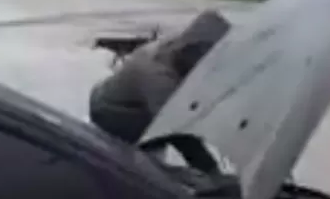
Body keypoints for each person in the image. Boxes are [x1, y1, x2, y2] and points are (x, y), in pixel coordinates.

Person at [89, 10, 229, 171]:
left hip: (130, 96)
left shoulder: (183, 43)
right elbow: (177, 133)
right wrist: (212, 171)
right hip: (111, 111)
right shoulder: (157, 75)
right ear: (193, 51)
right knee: (146, 167)